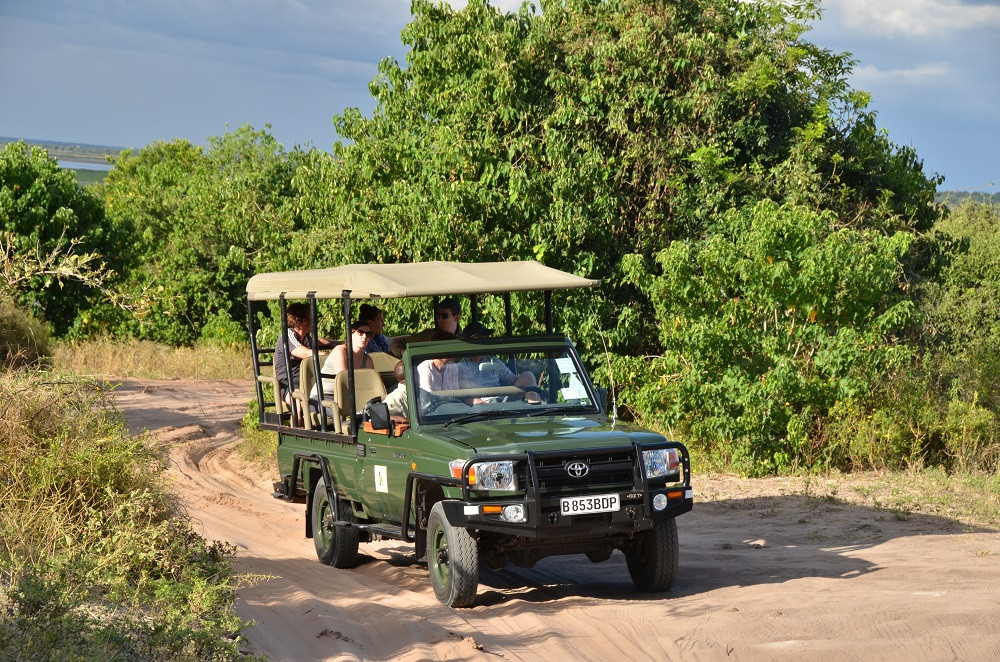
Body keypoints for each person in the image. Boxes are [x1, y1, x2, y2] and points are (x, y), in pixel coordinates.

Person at [457, 321, 538, 403]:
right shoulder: (462, 366)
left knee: (528, 375)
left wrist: (526, 387)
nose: (485, 342)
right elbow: (467, 398)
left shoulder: (492, 360)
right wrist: (488, 408)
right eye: (481, 339)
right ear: (471, 341)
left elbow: (514, 379)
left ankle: (536, 410)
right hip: (482, 409)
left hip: (503, 403)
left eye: (486, 338)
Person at [274, 302, 334, 405]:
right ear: (304, 321)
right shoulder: (288, 335)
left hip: (308, 380)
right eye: (311, 318)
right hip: (288, 383)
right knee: (297, 401)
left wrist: (340, 344)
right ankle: (297, 420)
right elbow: (305, 353)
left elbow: (318, 341)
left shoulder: (306, 337)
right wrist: (331, 356)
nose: (314, 321)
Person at [312, 320, 375, 399]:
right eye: (360, 332)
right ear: (350, 334)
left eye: (368, 334)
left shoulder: (367, 359)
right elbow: (344, 380)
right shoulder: (340, 351)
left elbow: (369, 383)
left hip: (350, 397)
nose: (364, 336)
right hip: (324, 396)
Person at [389, 297, 463, 356]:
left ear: (456, 318)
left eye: (444, 315)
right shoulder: (428, 336)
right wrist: (404, 353)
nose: (439, 319)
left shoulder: (465, 338)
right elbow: (395, 343)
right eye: (438, 315)